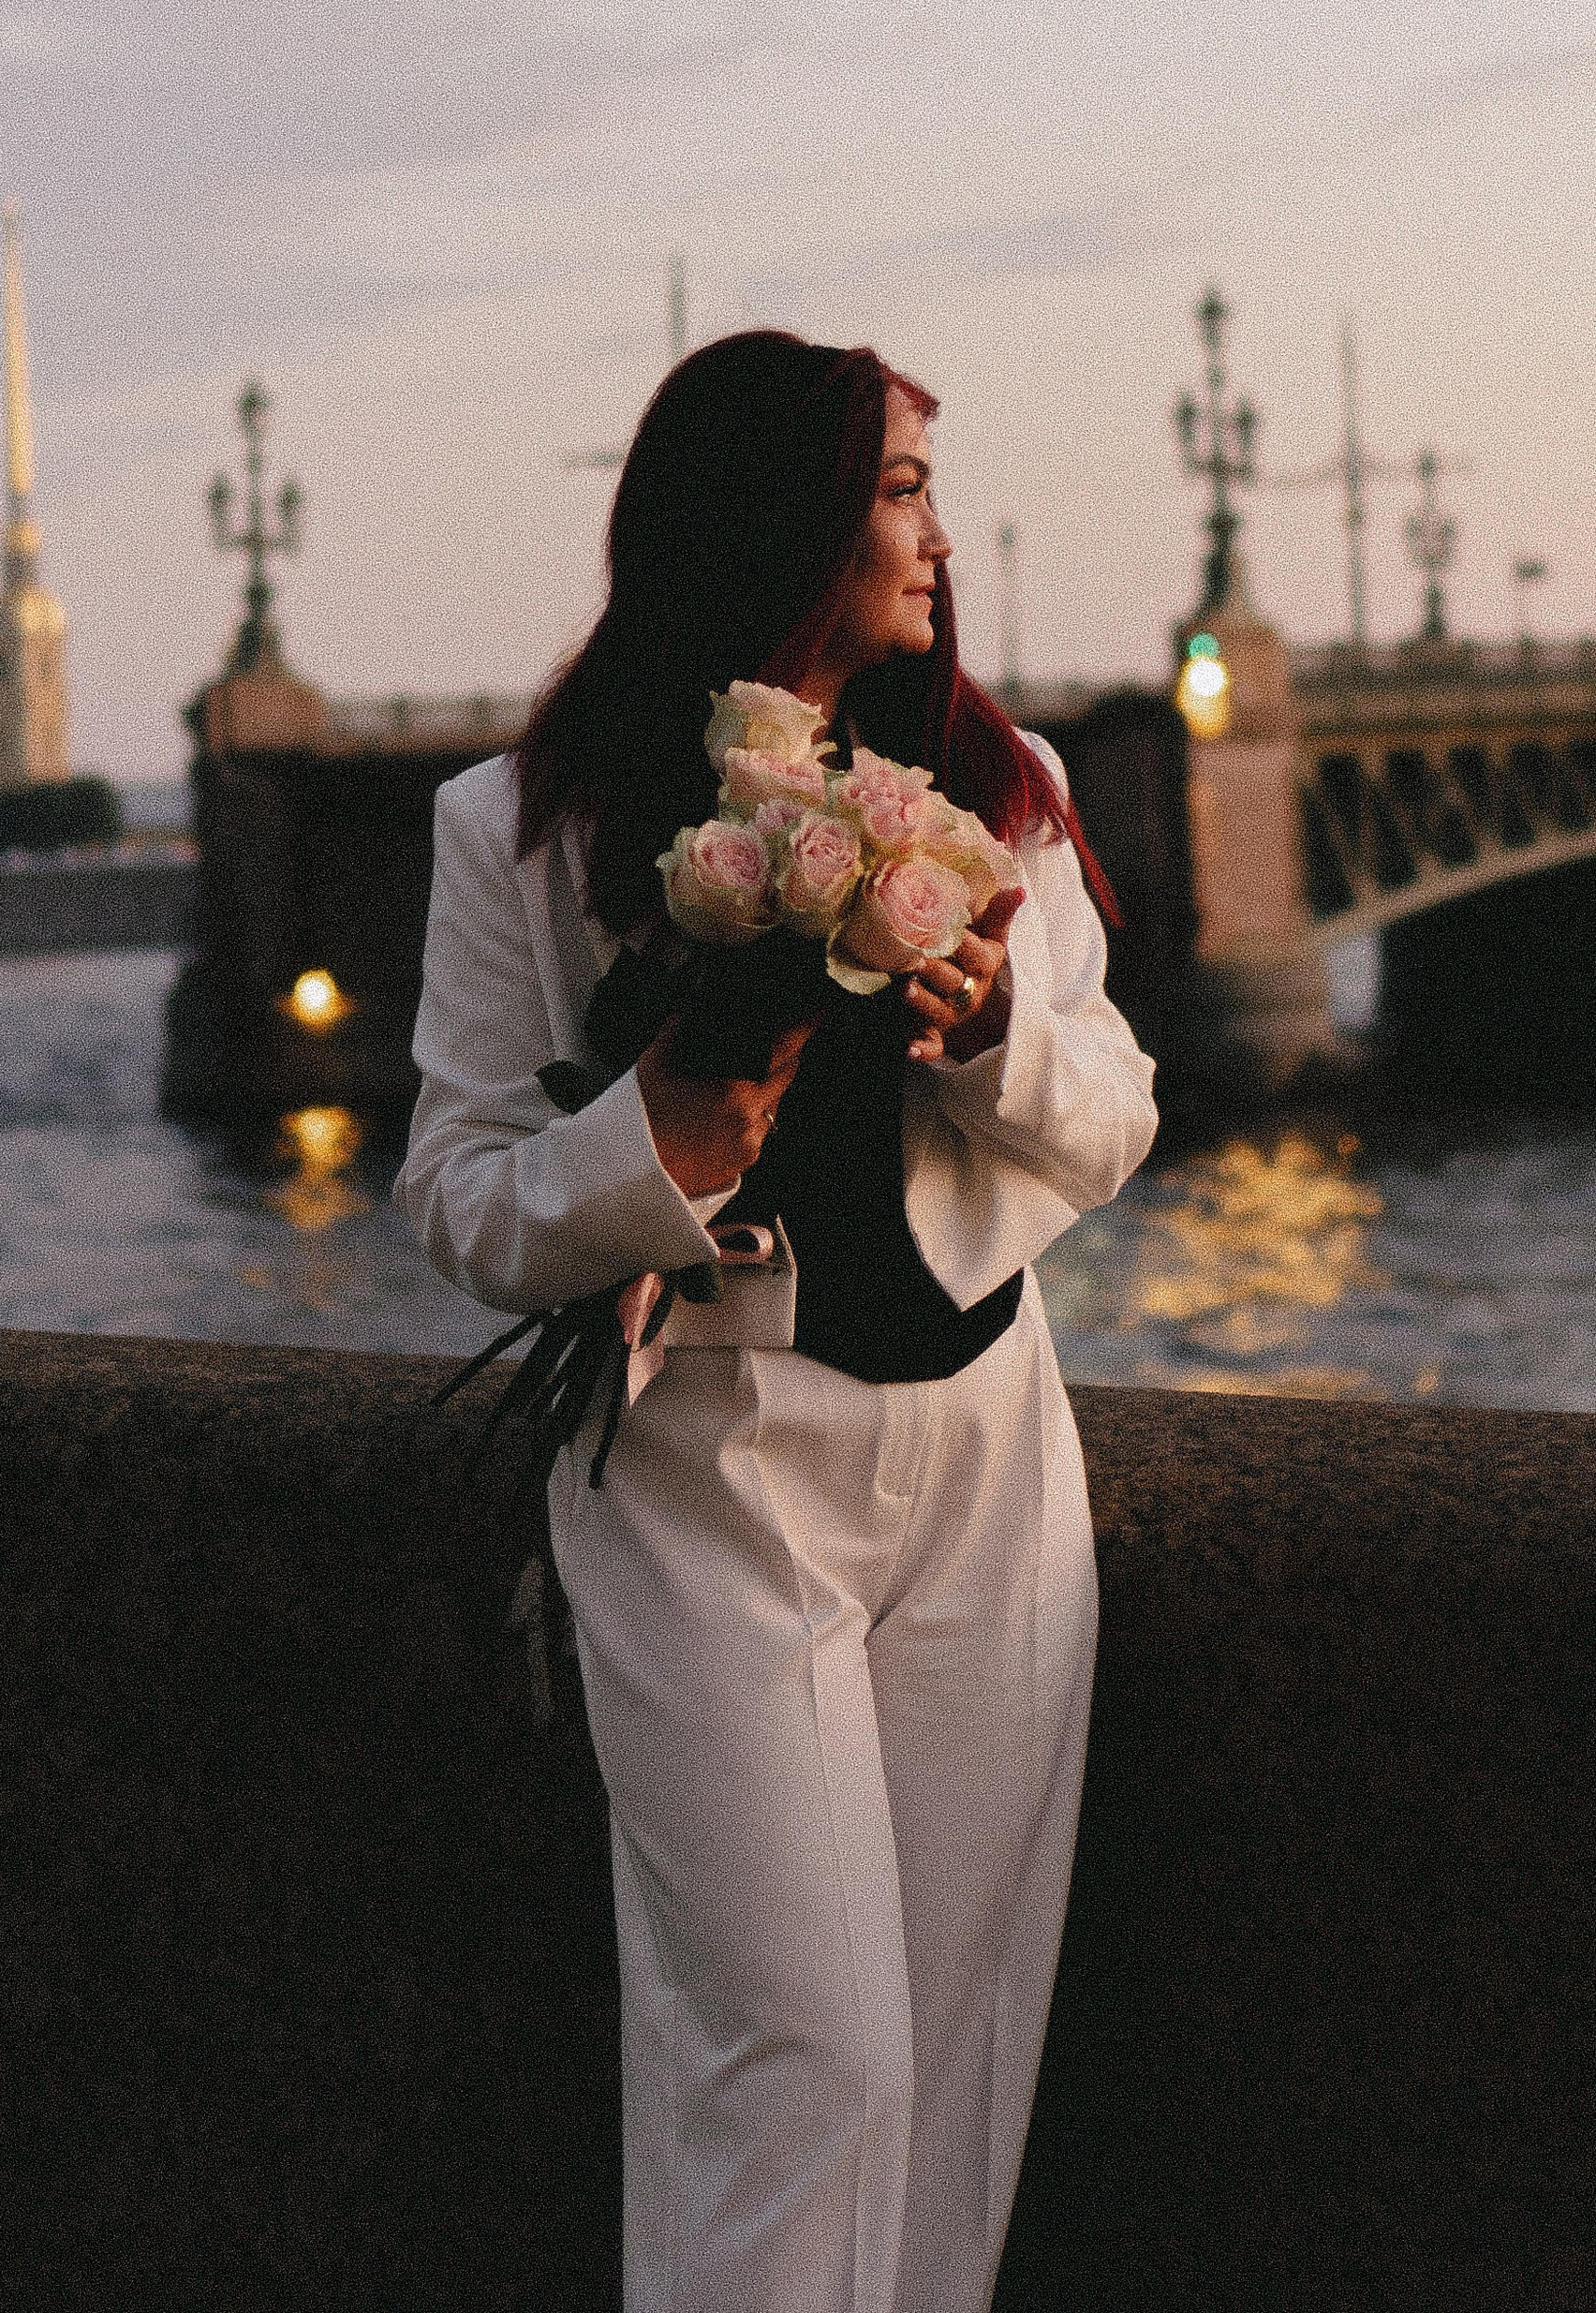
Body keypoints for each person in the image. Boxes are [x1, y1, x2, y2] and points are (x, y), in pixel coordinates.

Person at [397, 329, 1159, 2313]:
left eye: (921, 487)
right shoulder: (524, 828)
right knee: (801, 2055)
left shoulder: (1008, 787)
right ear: (783, 523)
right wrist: (649, 1141)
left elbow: (1116, 1118)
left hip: (987, 1464)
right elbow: (459, 1200)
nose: (931, 532)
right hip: (709, 1479)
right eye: (894, 489)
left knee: (953, 2052)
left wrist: (994, 1030)